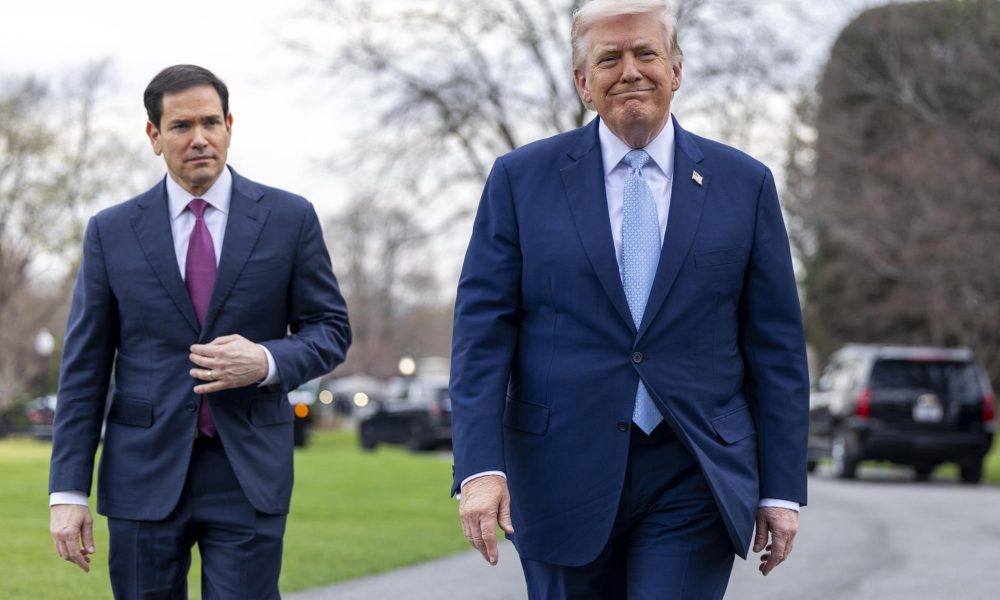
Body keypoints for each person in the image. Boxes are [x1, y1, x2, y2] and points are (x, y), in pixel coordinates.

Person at [450, 1, 809, 597]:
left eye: (646, 53)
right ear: (583, 83)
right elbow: (481, 336)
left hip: (694, 468)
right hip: (557, 470)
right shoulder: (520, 180)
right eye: (609, 58)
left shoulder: (744, 185)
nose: (631, 70)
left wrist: (781, 489)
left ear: (676, 69)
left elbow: (776, 349)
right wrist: (481, 469)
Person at [48, 64, 351, 599]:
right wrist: (68, 490)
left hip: (247, 470)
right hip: (143, 472)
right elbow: (84, 370)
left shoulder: (289, 218)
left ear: (230, 125)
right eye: (182, 126)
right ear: (154, 136)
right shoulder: (111, 232)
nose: (200, 138)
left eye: (211, 122)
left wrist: (266, 360)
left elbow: (329, 329)